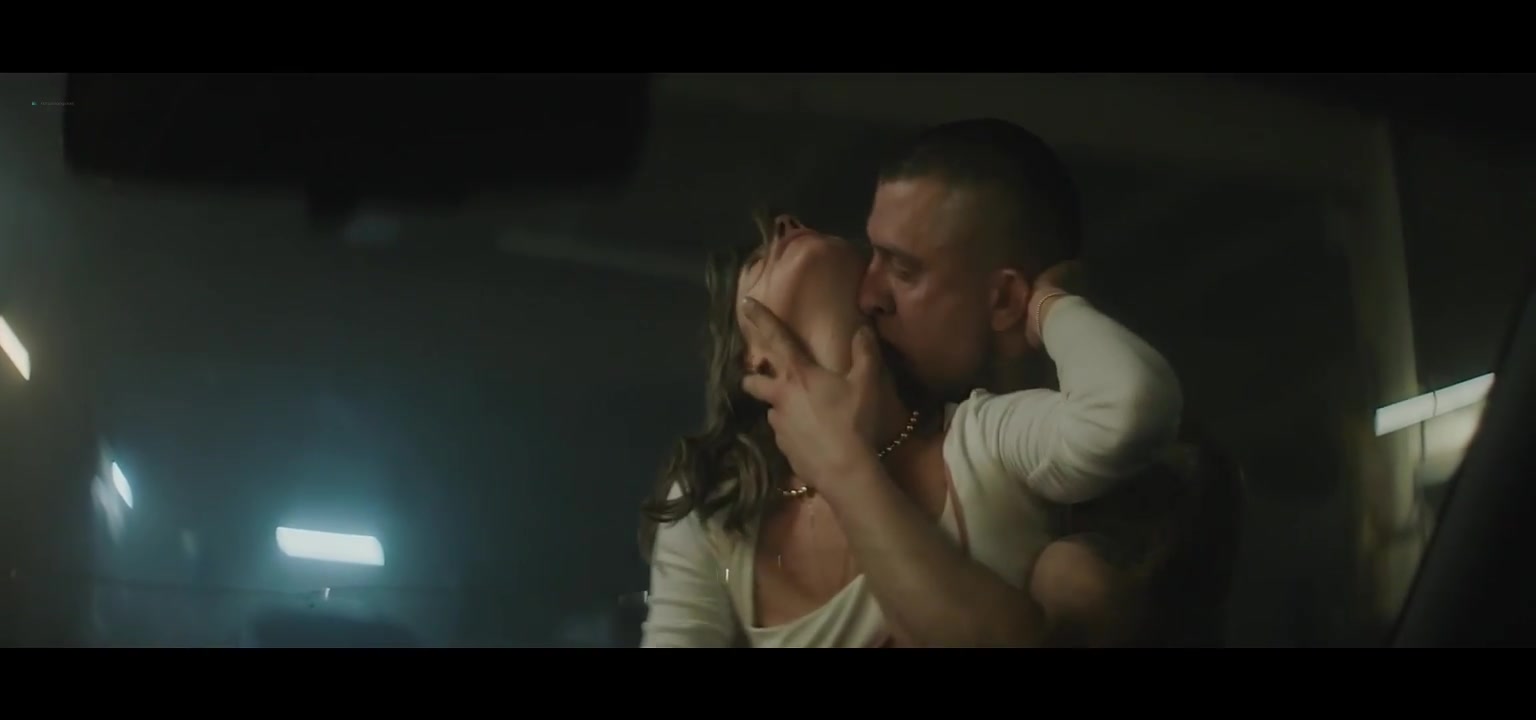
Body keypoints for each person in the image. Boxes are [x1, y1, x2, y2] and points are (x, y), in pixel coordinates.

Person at [639, 205, 1182, 644]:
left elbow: (1131, 408)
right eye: (758, 257)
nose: (787, 223)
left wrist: (1047, 304)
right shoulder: (717, 501)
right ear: (752, 362)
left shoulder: (980, 438)